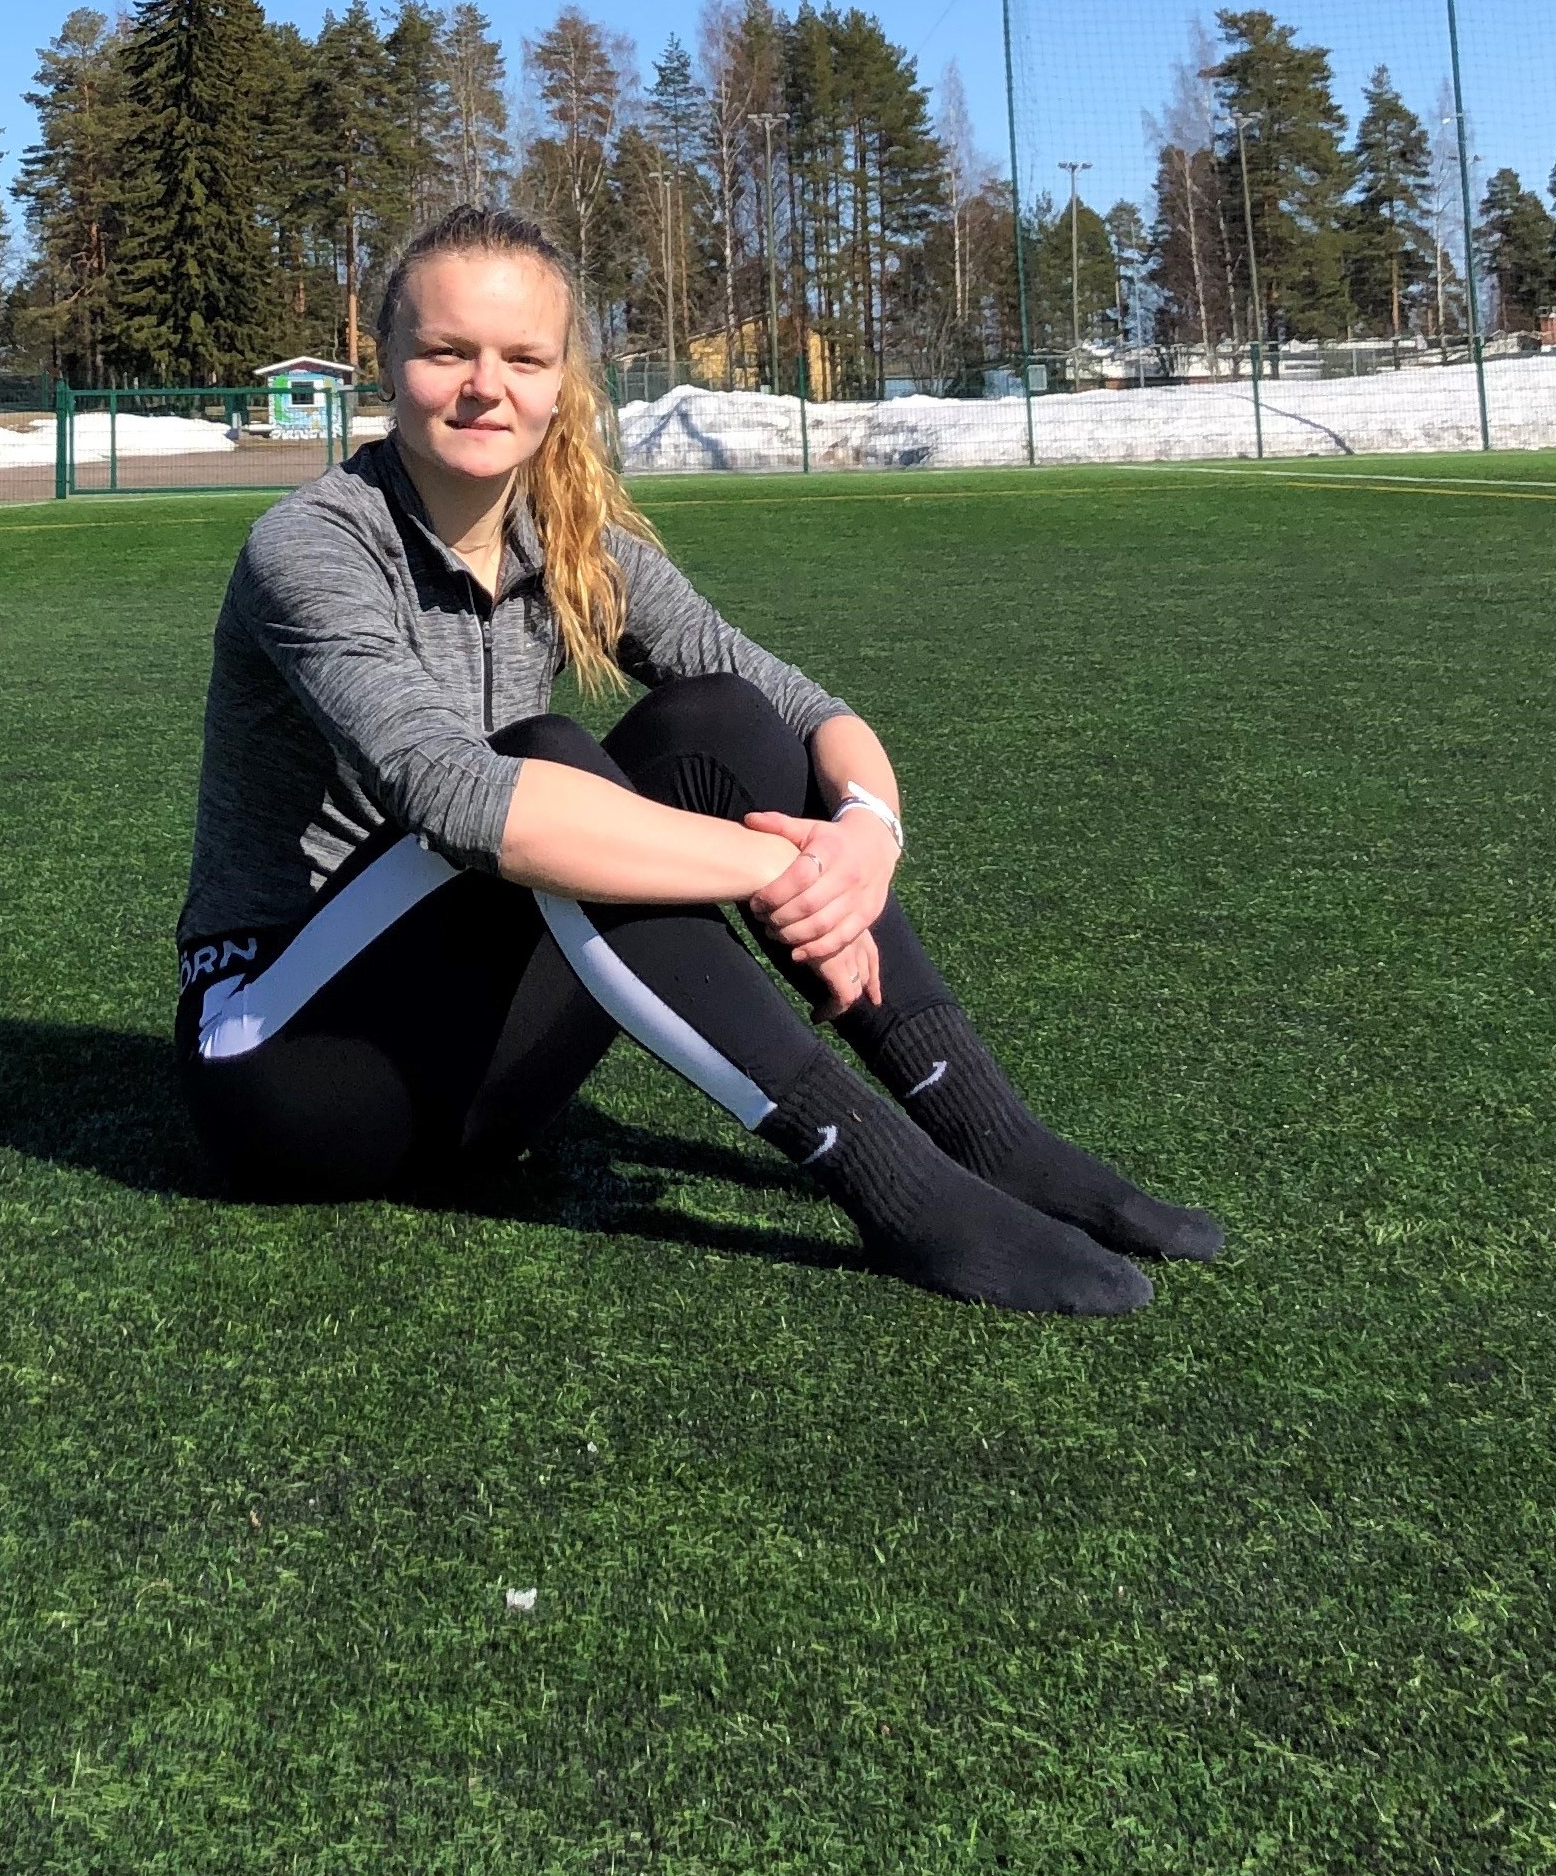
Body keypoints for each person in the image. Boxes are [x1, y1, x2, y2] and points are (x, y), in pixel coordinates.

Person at [176, 204, 1220, 1315]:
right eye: (446, 351)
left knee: (717, 719)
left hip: (478, 1091)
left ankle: (988, 1131)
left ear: (562, 379)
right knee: (545, 761)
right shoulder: (313, 545)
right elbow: (459, 795)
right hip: (286, 1072)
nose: (485, 386)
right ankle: (892, 1182)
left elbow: (805, 710)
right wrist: (778, 867)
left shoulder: (570, 540)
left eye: (523, 357)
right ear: (388, 360)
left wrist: (866, 838)